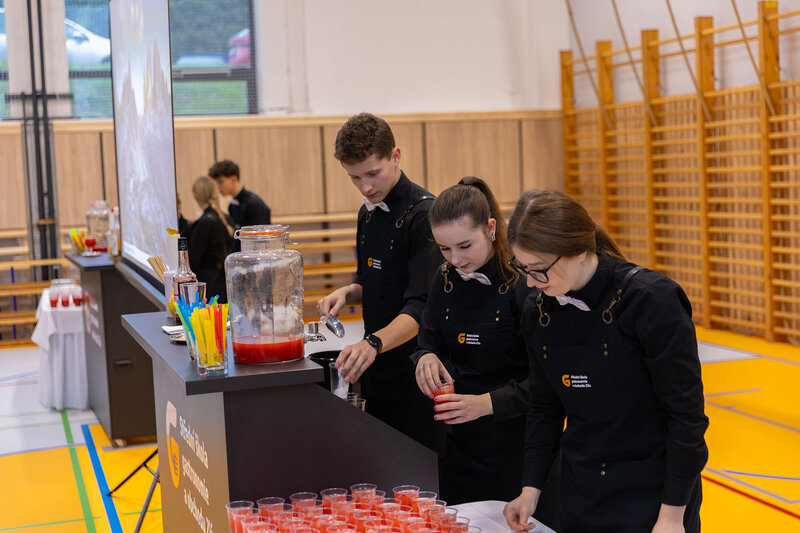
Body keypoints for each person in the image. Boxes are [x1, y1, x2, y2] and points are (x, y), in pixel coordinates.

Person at [502, 190, 709, 533]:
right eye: (522, 268)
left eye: (538, 270)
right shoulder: (537, 310)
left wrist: (671, 517)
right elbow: (544, 408)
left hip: (653, 497)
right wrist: (530, 490)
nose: (530, 281)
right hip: (580, 490)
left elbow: (686, 418)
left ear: (579, 251)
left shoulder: (651, 300)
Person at [317, 112, 443, 453]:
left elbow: (421, 306)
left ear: (396, 156)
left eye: (373, 173)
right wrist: (348, 292)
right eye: (355, 178)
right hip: (378, 366)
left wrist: (372, 343)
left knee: (417, 468)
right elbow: (372, 279)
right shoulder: (367, 213)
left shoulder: (423, 215)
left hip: (417, 372)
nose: (366, 187)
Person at [411, 177, 540, 506]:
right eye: (444, 249)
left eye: (465, 246)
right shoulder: (445, 278)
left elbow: (546, 382)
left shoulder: (524, 285)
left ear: (490, 228)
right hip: (462, 440)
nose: (455, 259)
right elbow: (428, 339)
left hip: (520, 442)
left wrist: (484, 404)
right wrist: (426, 357)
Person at [178, 176, 236, 303]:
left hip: (210, 288)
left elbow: (192, 262)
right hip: (225, 283)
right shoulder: (226, 218)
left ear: (196, 197)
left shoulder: (203, 224)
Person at [209, 159, 271, 229]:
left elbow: (261, 234)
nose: (218, 187)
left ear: (234, 179)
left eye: (220, 182)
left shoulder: (254, 204)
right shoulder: (232, 205)